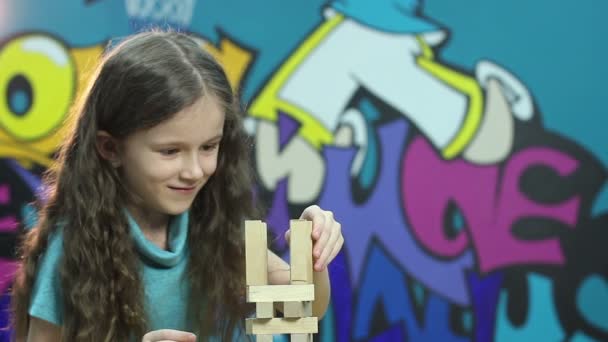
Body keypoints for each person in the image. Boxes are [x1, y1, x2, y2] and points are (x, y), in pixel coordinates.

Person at [11, 30, 344, 341]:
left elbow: (303, 307)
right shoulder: (75, 247)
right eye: (170, 151)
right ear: (110, 148)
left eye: (209, 147)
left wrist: (315, 253)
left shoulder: (217, 226)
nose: (194, 171)